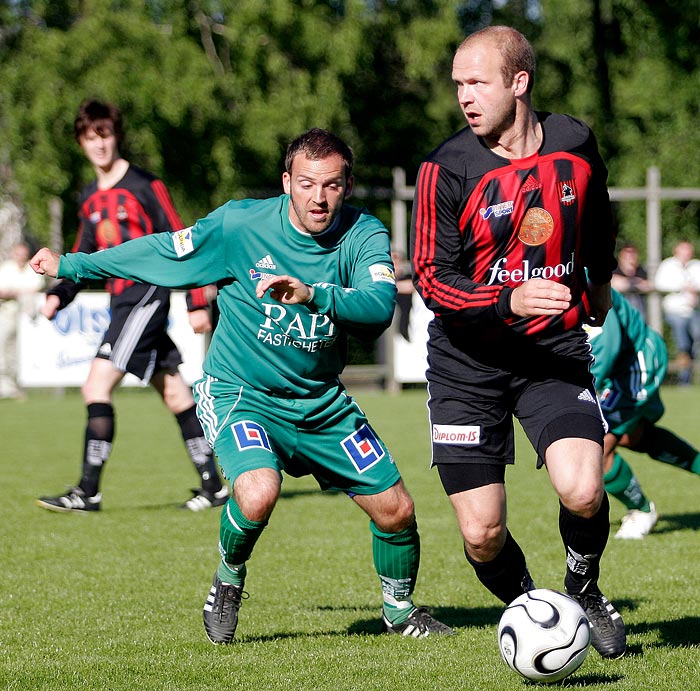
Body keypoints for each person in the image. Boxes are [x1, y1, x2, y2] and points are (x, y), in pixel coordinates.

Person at [31, 128, 454, 642]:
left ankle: (399, 612)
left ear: (347, 186)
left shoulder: (364, 233)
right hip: (240, 393)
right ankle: (228, 580)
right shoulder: (239, 225)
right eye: (306, 184)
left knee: (397, 510)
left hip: (321, 404)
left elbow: (378, 307)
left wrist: (313, 294)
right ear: (285, 183)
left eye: (332, 186)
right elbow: (163, 252)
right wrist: (72, 265)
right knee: (257, 492)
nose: (319, 198)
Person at [410, 26, 626, 659]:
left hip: (550, 355)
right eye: (458, 85)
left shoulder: (575, 141)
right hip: (465, 366)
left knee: (584, 488)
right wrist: (507, 298)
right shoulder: (445, 168)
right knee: (481, 534)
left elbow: (600, 215)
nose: (465, 97)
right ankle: (534, 607)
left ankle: (582, 591)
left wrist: (602, 280)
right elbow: (431, 280)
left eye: (477, 82)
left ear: (519, 82)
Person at [35, 99, 227, 514]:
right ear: (81, 142)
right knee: (175, 393)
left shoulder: (144, 186)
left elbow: (183, 237)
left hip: (146, 295)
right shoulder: (88, 196)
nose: (98, 145)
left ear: (116, 136)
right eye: (90, 137)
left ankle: (88, 492)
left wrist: (196, 302)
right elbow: (84, 256)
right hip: (120, 300)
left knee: (95, 386)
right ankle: (214, 486)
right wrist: (58, 294)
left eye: (104, 135)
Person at [587, 288, 700, 539]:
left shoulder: (578, 276)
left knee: (597, 444)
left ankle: (641, 510)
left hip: (636, 363)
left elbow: (608, 340)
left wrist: (583, 390)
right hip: (616, 369)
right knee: (632, 436)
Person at [0, 241, 45, 399]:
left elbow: (37, 288)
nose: (20, 257)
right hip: (7, 313)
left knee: (17, 353)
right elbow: (2, 291)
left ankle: (13, 387)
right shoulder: (7, 268)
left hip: (26, 318)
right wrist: (21, 292)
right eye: (18, 253)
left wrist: (15, 292)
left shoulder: (31, 268)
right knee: (3, 350)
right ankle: (5, 387)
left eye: (23, 254)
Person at [654, 240, 700, 385]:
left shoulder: (696, 265)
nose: (686, 254)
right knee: (683, 344)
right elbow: (659, 285)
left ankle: (687, 377)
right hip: (674, 311)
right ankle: (683, 379)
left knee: (696, 339)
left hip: (693, 311)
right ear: (676, 251)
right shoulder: (668, 266)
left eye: (688, 251)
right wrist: (682, 287)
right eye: (683, 251)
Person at [611, 243, 651, 319]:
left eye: (632, 255)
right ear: (621, 256)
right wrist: (636, 282)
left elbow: (648, 285)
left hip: (638, 310)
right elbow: (615, 283)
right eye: (627, 255)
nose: (630, 258)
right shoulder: (615, 269)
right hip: (618, 307)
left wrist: (628, 282)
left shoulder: (640, 270)